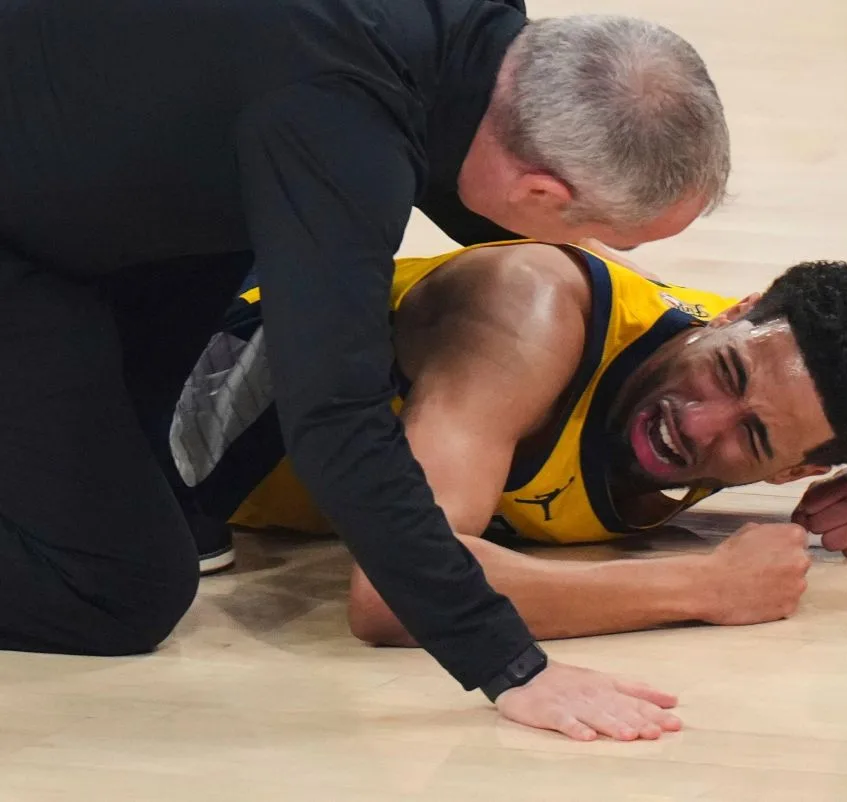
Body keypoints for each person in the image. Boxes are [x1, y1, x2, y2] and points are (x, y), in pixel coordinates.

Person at [0, 0, 732, 742]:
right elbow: (335, 420)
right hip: (29, 236)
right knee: (118, 586)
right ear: (541, 193)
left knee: (141, 473)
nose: (596, 260)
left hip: (70, 156)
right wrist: (510, 663)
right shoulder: (341, 127)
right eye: (603, 239)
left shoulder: (478, 40)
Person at [172, 240, 847, 644]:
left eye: (752, 438)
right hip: (160, 397)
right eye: (725, 373)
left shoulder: (822, 407)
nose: (694, 424)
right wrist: (699, 587)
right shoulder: (534, 312)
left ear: (801, 468)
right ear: (733, 311)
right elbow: (397, 591)